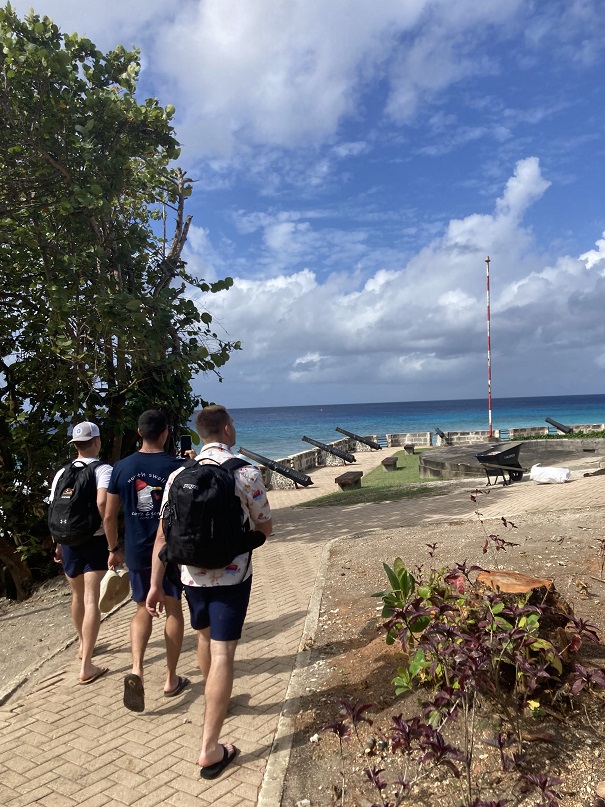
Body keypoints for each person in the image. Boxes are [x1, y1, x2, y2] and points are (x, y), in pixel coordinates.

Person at [146, 405, 272, 780]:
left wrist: (155, 585)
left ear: (200, 433)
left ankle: (214, 700)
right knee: (223, 653)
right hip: (232, 578)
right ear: (228, 429)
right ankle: (209, 748)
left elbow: (162, 536)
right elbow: (266, 527)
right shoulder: (246, 472)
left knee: (204, 641)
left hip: (188, 577)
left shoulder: (177, 476)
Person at [104, 409, 190, 712]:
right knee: (173, 608)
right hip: (171, 551)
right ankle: (170, 679)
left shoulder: (122, 467)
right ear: (165, 433)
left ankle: (137, 669)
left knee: (142, 607)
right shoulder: (177, 467)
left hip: (138, 551)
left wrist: (114, 548)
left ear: (139, 432)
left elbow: (108, 514)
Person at [50, 421, 112, 684]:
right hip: (94, 540)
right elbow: (102, 503)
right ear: (97, 442)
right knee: (91, 599)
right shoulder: (103, 469)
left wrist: (57, 543)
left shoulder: (61, 473)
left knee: (76, 595)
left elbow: (53, 508)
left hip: (67, 540)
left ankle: (83, 646)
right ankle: (87, 665)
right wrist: (113, 545)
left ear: (75, 445)